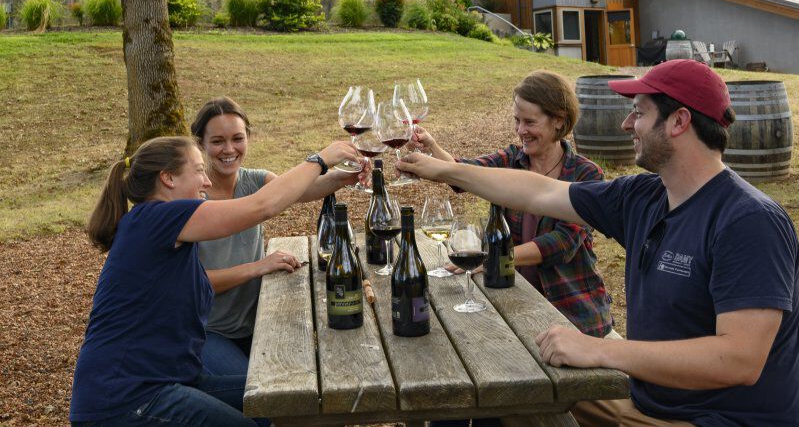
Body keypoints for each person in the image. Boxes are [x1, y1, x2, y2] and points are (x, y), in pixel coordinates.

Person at [398, 59, 799, 426]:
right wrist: (439, 169)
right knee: (510, 392)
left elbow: (739, 360)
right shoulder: (644, 197)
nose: (627, 124)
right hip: (643, 401)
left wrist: (599, 350)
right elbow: (538, 192)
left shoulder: (748, 221)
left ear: (678, 122)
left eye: (639, 113)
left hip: (711, 419)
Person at [70, 135, 358, 426]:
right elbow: (262, 206)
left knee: (287, 396)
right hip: (126, 398)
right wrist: (319, 160)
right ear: (167, 178)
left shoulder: (162, 233)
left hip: (171, 380)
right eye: (198, 171)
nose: (207, 182)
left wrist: (338, 179)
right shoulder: (156, 217)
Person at [412, 70, 612, 338]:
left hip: (573, 313)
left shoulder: (587, 175)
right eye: (517, 121)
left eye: (529, 122)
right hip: (517, 303)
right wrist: (432, 147)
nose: (520, 131)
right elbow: (464, 174)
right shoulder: (511, 159)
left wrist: (496, 258)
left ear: (558, 121)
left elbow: (562, 242)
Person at [190, 96, 358, 376]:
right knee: (262, 393)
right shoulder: (191, 200)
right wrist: (257, 267)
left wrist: (343, 176)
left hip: (254, 325)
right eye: (218, 141)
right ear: (200, 144)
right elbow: (194, 283)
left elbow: (302, 189)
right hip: (206, 332)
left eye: (237, 138)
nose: (229, 149)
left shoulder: (255, 180)